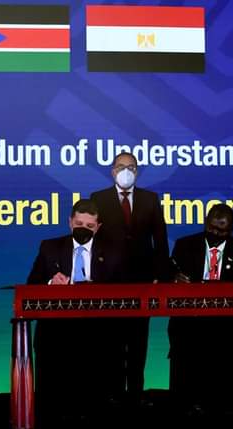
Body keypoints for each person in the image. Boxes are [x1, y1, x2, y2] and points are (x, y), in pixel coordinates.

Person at [26, 199, 126, 423]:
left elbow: (120, 292)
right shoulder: (50, 247)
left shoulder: (113, 251)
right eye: (79, 224)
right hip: (57, 330)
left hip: (96, 330)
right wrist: (51, 283)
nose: (83, 229)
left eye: (89, 226)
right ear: (70, 222)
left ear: (98, 227)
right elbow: (31, 285)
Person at [90, 152, 169, 405]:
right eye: (121, 166)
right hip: (108, 283)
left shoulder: (150, 199)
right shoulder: (98, 198)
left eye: (131, 167)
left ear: (137, 171)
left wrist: (160, 276)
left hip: (142, 283)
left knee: (137, 342)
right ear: (112, 171)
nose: (126, 171)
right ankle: (112, 394)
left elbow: (160, 239)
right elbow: (93, 241)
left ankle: (135, 394)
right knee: (111, 342)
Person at [167, 203, 233, 419]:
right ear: (206, 224)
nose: (215, 234)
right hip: (191, 319)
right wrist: (174, 278)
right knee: (187, 334)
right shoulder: (185, 245)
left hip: (227, 320)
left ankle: (228, 405)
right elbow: (168, 272)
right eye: (212, 229)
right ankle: (188, 404)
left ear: (231, 230)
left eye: (221, 231)